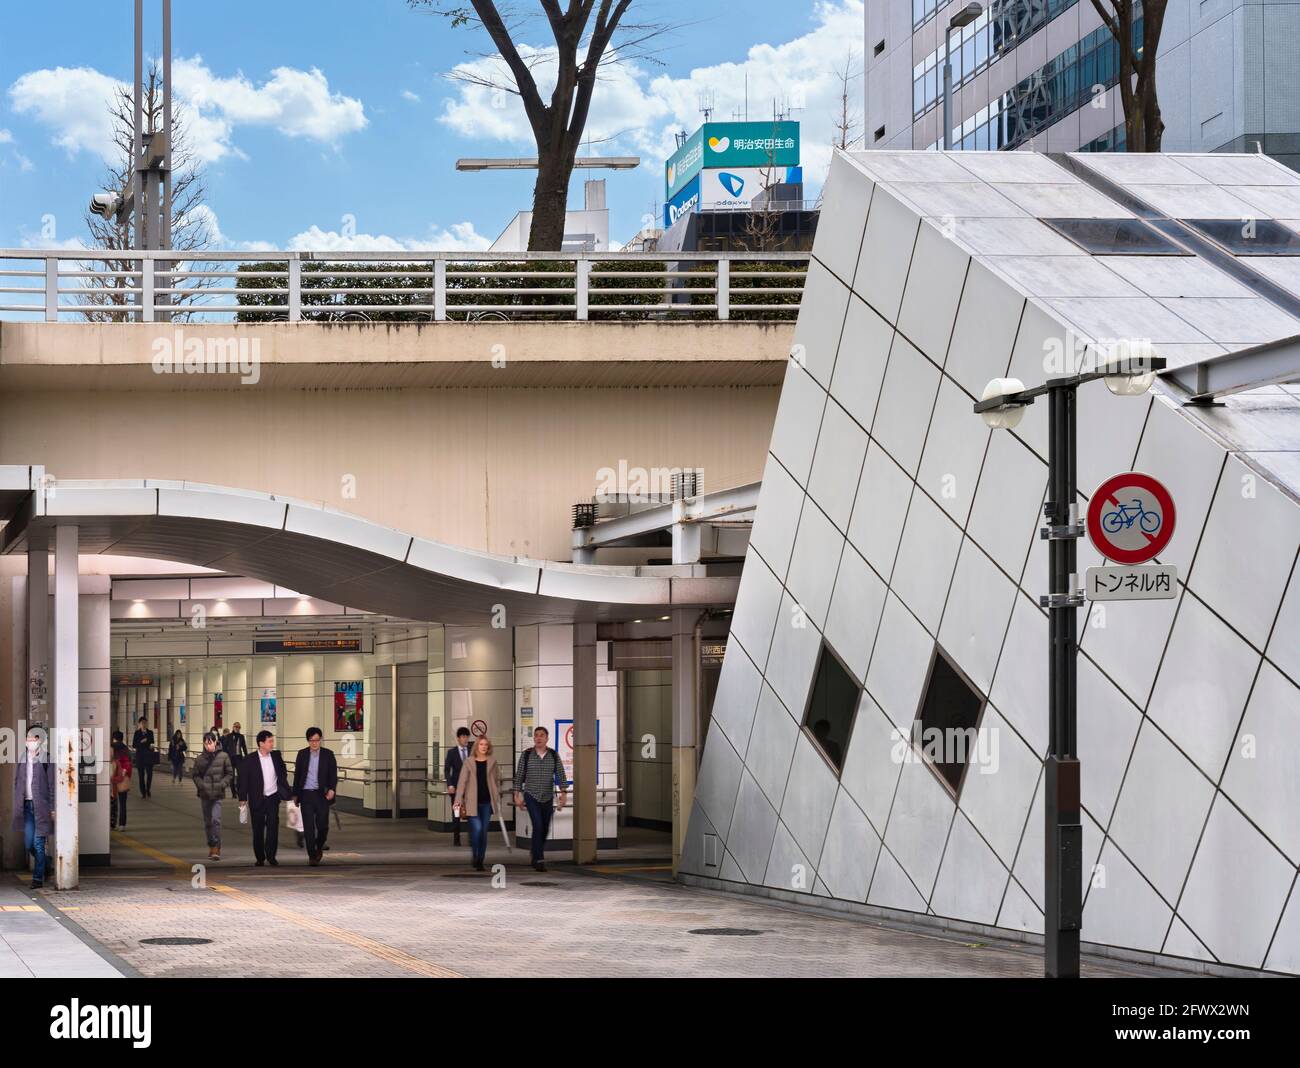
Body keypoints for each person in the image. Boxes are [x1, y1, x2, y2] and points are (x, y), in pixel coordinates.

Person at [513, 726, 567, 872]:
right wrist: (516, 794)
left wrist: (563, 793)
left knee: (545, 828)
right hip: (531, 795)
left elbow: (561, 775)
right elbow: (519, 776)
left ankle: (535, 851)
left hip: (547, 797)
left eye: (542, 735)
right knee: (537, 825)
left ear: (547, 738)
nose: (538, 738)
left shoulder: (554, 755)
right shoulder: (526, 755)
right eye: (536, 735)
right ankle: (539, 859)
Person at [239, 730, 290, 866]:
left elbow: (283, 773)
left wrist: (285, 790)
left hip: (273, 797)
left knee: (273, 827)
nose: (272, 744)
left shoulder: (276, 756)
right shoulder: (249, 760)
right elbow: (243, 780)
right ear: (261, 743)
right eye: (270, 741)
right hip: (257, 798)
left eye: (272, 741)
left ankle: (271, 855)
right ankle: (260, 857)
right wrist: (242, 798)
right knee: (258, 829)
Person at [12, 728, 55, 888]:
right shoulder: (23, 758)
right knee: (29, 843)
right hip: (27, 807)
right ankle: (47, 862)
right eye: (29, 738)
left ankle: (38, 879)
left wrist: (52, 808)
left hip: (42, 807)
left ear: (40, 740)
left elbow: (52, 785)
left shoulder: (47, 759)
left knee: (38, 843)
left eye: (34, 738)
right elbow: (17, 782)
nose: (31, 741)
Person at [292, 727, 338, 866]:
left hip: (322, 795)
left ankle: (319, 846)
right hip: (306, 794)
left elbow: (333, 775)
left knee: (323, 826)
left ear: (320, 740)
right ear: (308, 741)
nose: (315, 743)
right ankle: (312, 855)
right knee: (308, 827)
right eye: (312, 740)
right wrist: (295, 794)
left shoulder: (328, 754)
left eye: (317, 740)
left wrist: (332, 789)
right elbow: (298, 775)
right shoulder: (302, 754)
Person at [455, 736, 501, 872]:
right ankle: (475, 854)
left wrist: (496, 792)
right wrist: (458, 800)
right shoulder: (468, 762)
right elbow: (462, 782)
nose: (484, 747)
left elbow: (497, 779)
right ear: (477, 746)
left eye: (486, 744)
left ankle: (480, 859)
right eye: (481, 744)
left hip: (487, 802)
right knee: (478, 829)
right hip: (472, 802)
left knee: (484, 832)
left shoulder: (492, 762)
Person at [191, 732, 233, 860]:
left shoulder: (224, 756)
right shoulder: (199, 759)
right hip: (205, 794)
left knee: (216, 820)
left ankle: (216, 847)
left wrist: (222, 784)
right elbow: (195, 775)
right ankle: (211, 846)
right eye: (206, 743)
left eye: (210, 742)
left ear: (215, 742)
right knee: (208, 822)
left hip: (217, 794)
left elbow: (230, 773)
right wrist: (201, 785)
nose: (208, 745)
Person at [443, 727, 472, 846]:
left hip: (470, 788)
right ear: (458, 738)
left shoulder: (472, 751)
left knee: (471, 812)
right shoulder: (452, 752)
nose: (465, 739)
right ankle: (456, 838)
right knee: (456, 813)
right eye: (463, 737)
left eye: (467, 737)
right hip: (455, 787)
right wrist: (449, 784)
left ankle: (471, 838)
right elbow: (446, 770)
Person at [109, 737, 133, 830]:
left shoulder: (112, 749)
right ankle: (122, 825)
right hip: (123, 781)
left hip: (113, 782)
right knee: (123, 804)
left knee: (113, 804)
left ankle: (112, 824)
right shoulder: (125, 751)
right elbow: (129, 767)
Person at [132, 716, 156, 799]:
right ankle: (143, 792)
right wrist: (141, 742)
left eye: (145, 723)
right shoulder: (137, 733)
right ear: (139, 724)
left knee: (150, 774)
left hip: (149, 756)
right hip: (140, 757)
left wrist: (152, 747)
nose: (144, 724)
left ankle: (148, 789)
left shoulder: (150, 733)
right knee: (141, 775)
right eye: (142, 723)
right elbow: (134, 745)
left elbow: (152, 743)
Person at [224, 722, 248, 799]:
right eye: (236, 727)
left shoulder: (241, 736)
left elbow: (244, 747)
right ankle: (233, 793)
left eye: (238, 727)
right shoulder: (229, 736)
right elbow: (225, 747)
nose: (237, 728)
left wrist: (246, 756)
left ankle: (238, 790)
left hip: (239, 758)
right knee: (232, 776)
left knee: (240, 775)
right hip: (231, 758)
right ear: (233, 727)